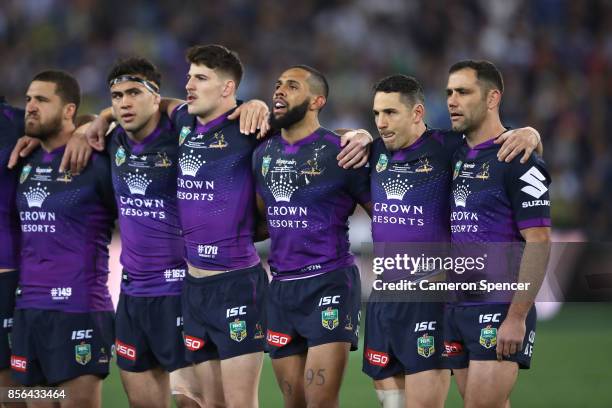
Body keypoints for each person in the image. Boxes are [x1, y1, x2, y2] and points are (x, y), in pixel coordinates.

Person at [364, 74, 543, 408]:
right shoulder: (373, 151)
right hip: (384, 300)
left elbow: (496, 144)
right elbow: (330, 146)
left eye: (390, 113)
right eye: (376, 114)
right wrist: (354, 135)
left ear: (417, 113)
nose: (380, 123)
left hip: (434, 297)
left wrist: (530, 133)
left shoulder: (449, 148)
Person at [253, 65, 372, 408]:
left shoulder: (342, 151)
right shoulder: (263, 154)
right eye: (277, 85)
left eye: (292, 86)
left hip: (329, 283)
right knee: (295, 404)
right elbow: (264, 221)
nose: (279, 91)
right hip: (282, 288)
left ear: (317, 100)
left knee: (320, 401)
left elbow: (384, 216)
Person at [444, 60, 551, 408]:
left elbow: (539, 241)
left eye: (463, 92)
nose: (452, 100)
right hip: (456, 306)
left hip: (499, 306)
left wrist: (516, 317)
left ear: (492, 98)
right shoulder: (453, 153)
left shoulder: (518, 158)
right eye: (449, 92)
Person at [11, 70, 115, 408]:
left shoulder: (97, 159)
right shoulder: (26, 158)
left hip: (79, 308)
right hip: (29, 311)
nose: (30, 107)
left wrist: (88, 129)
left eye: (42, 100)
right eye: (28, 99)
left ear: (69, 110)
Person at [105, 57, 203, 408]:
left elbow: (212, 117)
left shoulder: (183, 137)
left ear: (155, 96)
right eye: (116, 96)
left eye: (134, 92)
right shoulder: (112, 140)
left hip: (178, 290)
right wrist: (95, 121)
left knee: (191, 401)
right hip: (131, 296)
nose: (124, 102)